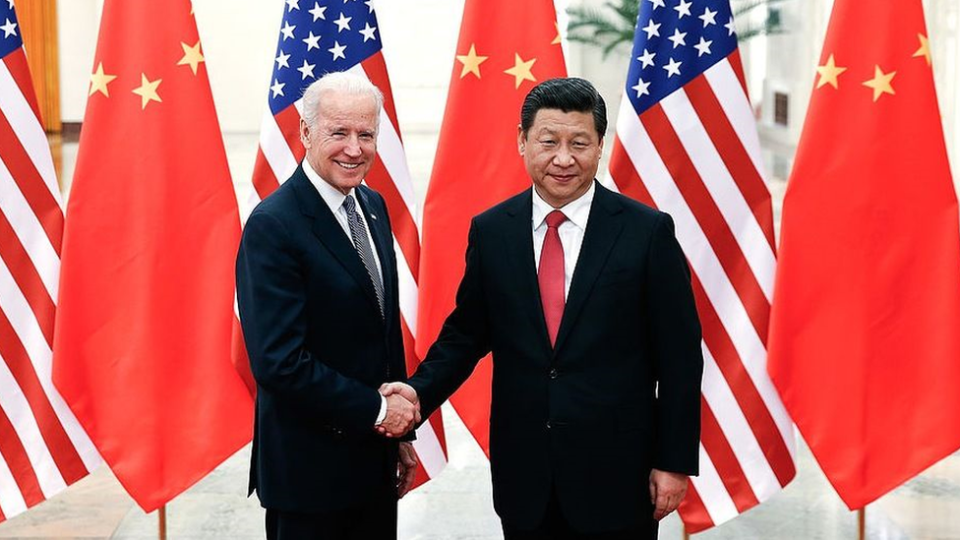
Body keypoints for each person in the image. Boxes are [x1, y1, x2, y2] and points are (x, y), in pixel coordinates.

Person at [382, 77, 703, 539]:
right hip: (525, 476)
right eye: (548, 141)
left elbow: (680, 359)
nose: (563, 158)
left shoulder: (646, 232)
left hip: (618, 475)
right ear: (522, 141)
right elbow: (466, 335)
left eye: (579, 143)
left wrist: (672, 463)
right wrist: (418, 394)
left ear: (599, 146)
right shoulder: (492, 232)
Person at [236, 72, 419, 540]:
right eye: (339, 132)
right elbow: (279, 362)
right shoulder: (274, 225)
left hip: (373, 466)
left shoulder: (373, 207)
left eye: (366, 134)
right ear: (305, 132)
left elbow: (382, 329)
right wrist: (380, 412)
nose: (354, 149)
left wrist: (398, 435)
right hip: (309, 478)